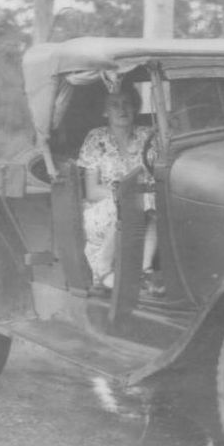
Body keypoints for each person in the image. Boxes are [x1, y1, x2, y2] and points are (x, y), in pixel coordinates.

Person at [77, 83, 160, 296]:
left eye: (127, 104)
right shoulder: (96, 138)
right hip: (104, 208)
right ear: (105, 112)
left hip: (145, 204)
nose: (122, 109)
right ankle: (103, 270)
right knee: (129, 205)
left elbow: (159, 174)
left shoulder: (147, 136)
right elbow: (92, 190)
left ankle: (144, 270)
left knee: (154, 206)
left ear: (135, 108)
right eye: (114, 105)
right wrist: (122, 194)